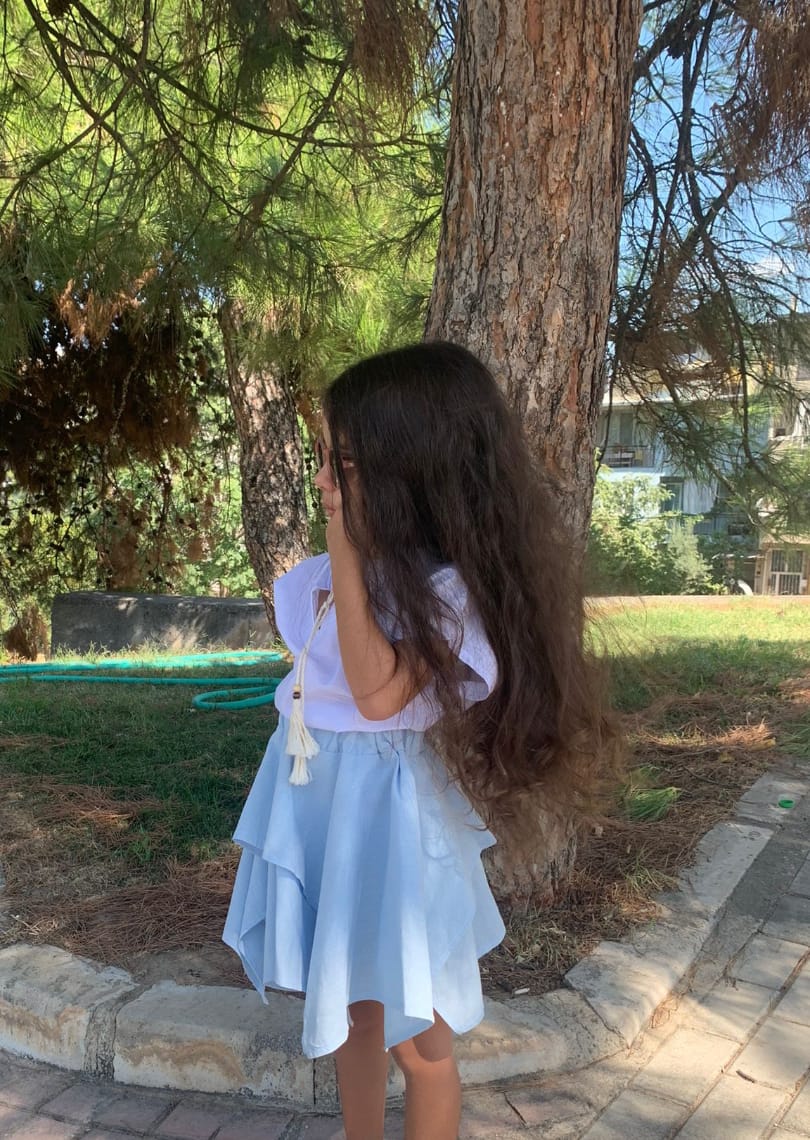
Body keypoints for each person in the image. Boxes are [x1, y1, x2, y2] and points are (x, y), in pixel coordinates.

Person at [223, 341, 617, 1140]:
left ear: (410, 472)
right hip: (322, 807)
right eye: (326, 461)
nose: (325, 483)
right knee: (353, 1014)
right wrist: (345, 554)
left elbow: (374, 693)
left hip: (392, 822)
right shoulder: (327, 579)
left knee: (421, 1037)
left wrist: (344, 545)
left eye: (345, 466)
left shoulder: (445, 595)